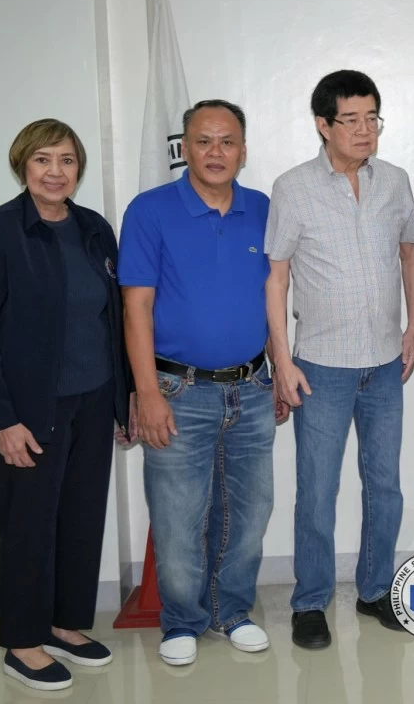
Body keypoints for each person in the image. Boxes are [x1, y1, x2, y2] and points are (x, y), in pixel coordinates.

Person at [0, 119, 131, 691]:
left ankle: (65, 624)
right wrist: (0, 418)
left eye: (67, 161)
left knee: (81, 518)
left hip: (93, 396)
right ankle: (24, 642)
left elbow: (115, 321)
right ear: (22, 166)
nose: (56, 172)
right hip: (27, 410)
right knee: (29, 525)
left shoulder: (94, 229)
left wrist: (123, 400)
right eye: (43, 161)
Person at [265, 70, 414, 650]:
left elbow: (411, 254)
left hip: (384, 363)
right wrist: (283, 360)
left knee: (385, 485)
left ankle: (376, 590)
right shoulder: (293, 187)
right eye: (351, 119)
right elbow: (276, 276)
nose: (364, 130)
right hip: (321, 366)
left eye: (372, 118)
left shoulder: (395, 182)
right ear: (323, 125)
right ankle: (310, 602)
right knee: (317, 488)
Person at [119, 99, 280, 666]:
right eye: (204, 141)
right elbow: (136, 306)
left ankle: (232, 611)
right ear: (183, 147)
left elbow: (277, 298)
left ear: (242, 149)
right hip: (178, 391)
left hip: (254, 389)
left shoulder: (263, 209)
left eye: (228, 141)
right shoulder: (149, 211)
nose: (216, 153)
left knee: (251, 509)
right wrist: (146, 391)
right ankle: (181, 621)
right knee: (179, 514)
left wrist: (282, 370)